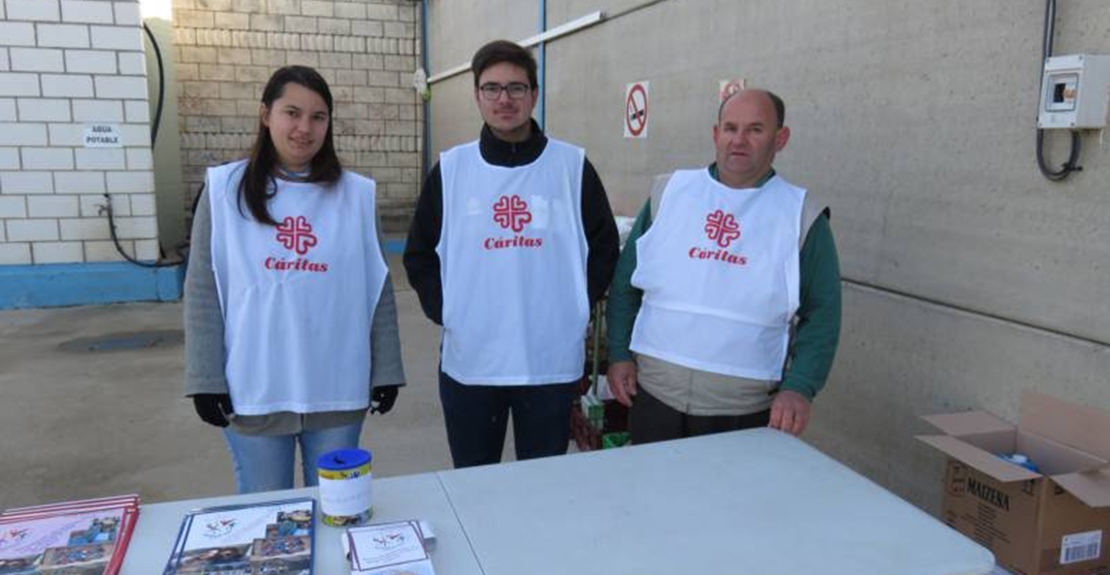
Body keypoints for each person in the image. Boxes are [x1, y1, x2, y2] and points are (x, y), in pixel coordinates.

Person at [184, 66, 404, 493]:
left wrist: (386, 369)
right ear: (266, 115)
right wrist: (204, 378)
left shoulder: (356, 195)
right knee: (270, 515)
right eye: (292, 113)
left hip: (336, 386)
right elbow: (202, 290)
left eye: (318, 117)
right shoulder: (224, 190)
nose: (304, 128)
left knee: (338, 505)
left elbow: (376, 290)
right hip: (255, 386)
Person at [404, 40, 619, 468]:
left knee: (541, 486)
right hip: (473, 362)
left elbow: (604, 245)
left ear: (535, 95)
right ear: (477, 95)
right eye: (492, 88)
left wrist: (574, 306)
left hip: (549, 363)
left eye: (517, 88)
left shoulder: (570, 167)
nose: (505, 99)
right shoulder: (452, 170)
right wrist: (449, 311)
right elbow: (419, 253)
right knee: (474, 481)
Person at [606, 89, 841, 444]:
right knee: (651, 497)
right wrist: (619, 353)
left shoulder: (801, 216)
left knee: (727, 500)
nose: (739, 140)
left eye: (756, 129)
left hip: (743, 408)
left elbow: (823, 313)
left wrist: (800, 386)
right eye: (731, 128)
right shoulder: (669, 193)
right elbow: (626, 282)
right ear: (716, 134)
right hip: (654, 394)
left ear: (781, 138)